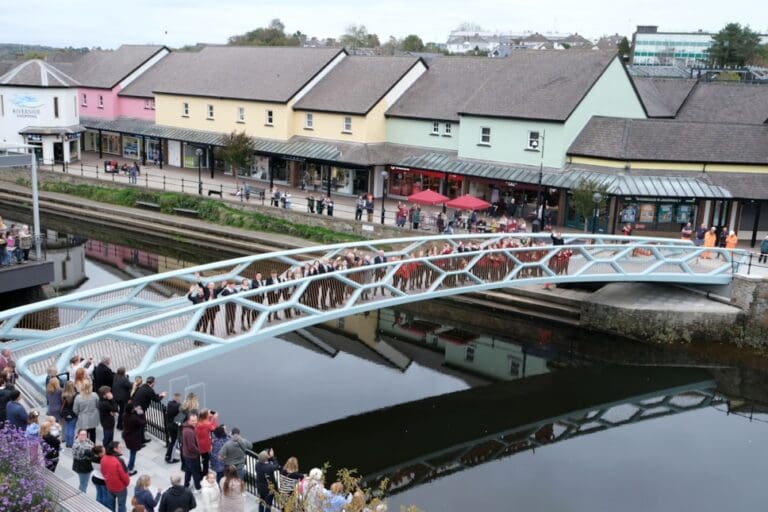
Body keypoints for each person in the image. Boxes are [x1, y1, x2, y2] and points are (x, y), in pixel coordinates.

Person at [131, 376, 166, 442]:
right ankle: (140, 440)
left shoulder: (143, 386)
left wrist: (159, 395)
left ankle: (141, 439)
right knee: (141, 423)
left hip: (135, 406)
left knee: (141, 422)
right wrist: (162, 395)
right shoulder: (149, 390)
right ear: (152, 383)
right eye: (154, 382)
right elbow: (157, 400)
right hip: (139, 408)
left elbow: (152, 396)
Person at [102, 441, 131, 512]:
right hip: (120, 488)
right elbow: (124, 475)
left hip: (109, 486)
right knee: (121, 505)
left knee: (111, 504)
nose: (121, 448)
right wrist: (126, 484)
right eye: (120, 447)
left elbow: (103, 472)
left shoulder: (103, 458)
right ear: (115, 449)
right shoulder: (119, 460)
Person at [122, 402, 146, 475]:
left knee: (132, 451)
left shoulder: (124, 415)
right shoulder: (134, 418)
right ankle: (130, 468)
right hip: (133, 438)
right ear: (132, 410)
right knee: (133, 453)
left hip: (127, 436)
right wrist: (141, 413)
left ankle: (130, 464)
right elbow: (143, 422)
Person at [182, 413, 203, 491]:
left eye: (195, 420)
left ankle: (186, 484)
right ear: (188, 420)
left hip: (186, 454)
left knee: (188, 470)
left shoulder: (186, 428)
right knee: (195, 472)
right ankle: (198, 487)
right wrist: (199, 452)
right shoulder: (189, 431)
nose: (195, 422)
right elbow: (191, 447)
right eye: (192, 421)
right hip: (192, 456)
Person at [196, 409, 219, 476]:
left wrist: (209, 417)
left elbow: (204, 420)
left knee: (197, 459)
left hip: (197, 443)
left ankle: (198, 472)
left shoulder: (197, 422)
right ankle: (204, 473)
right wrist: (214, 418)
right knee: (205, 460)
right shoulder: (207, 424)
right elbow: (213, 428)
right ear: (206, 415)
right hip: (205, 445)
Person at [164, 392, 183, 464]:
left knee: (172, 441)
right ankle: (170, 458)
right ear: (178, 399)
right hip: (175, 427)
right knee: (174, 443)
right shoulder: (179, 406)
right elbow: (179, 420)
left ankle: (167, 455)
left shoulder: (169, 404)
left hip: (169, 425)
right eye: (180, 398)